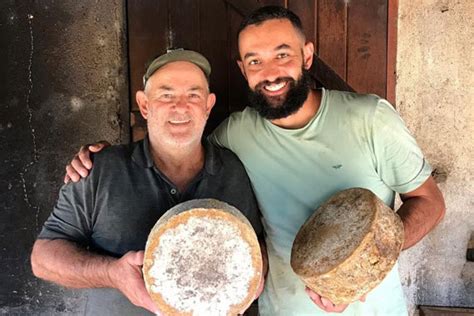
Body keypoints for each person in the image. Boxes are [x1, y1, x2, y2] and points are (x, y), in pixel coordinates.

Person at [64, 6, 446, 316]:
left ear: (307, 56)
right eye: (255, 61)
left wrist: (359, 272)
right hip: (276, 310)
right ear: (242, 69)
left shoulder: (371, 118)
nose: (271, 73)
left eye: (282, 55)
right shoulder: (234, 135)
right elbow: (175, 141)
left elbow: (429, 202)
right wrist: (103, 155)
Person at [31, 50, 265, 316]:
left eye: (193, 95)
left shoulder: (234, 170)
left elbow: (256, 248)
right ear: (144, 105)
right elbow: (43, 258)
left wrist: (253, 282)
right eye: (166, 95)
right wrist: (111, 273)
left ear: (208, 106)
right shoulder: (100, 169)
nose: (180, 106)